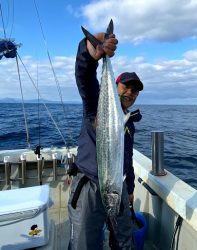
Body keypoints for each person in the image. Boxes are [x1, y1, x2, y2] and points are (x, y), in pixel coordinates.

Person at [68, 31, 143, 250]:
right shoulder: (95, 105)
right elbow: (84, 76)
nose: (130, 93)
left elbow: (125, 158)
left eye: (135, 91)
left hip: (116, 188)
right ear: (115, 85)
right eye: (126, 87)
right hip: (90, 187)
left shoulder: (128, 121)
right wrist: (90, 54)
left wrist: (128, 188)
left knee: (124, 240)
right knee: (85, 244)